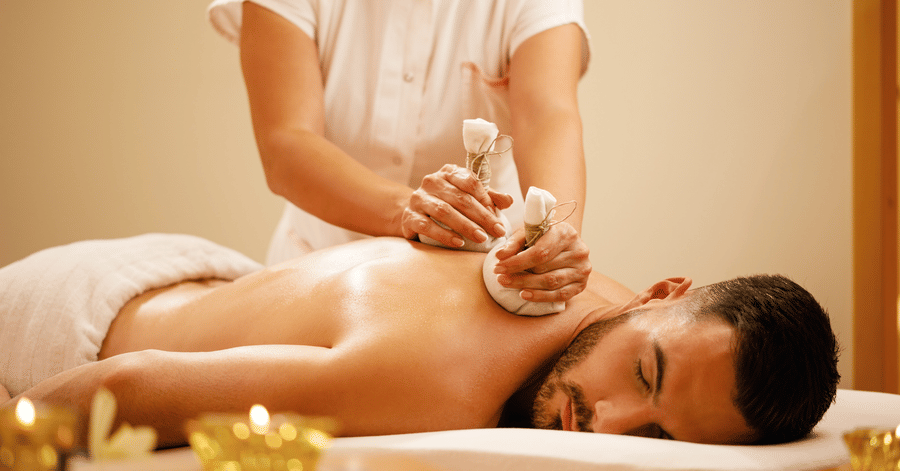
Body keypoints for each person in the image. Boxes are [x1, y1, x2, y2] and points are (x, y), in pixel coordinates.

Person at [0, 234, 839, 449]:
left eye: (659, 438)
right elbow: (134, 386)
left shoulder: (610, 306)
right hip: (74, 318)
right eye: (644, 376)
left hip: (210, 277)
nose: (610, 424)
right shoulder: (437, 385)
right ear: (665, 294)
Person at [206, 0, 593, 303]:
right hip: (316, 265)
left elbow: (547, 115)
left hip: (476, 286)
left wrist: (553, 236)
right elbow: (286, 144)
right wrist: (408, 210)